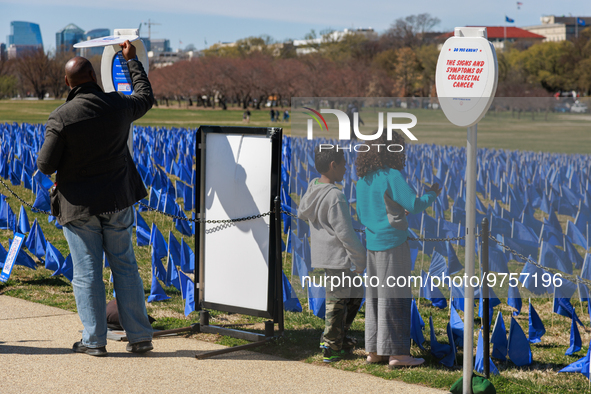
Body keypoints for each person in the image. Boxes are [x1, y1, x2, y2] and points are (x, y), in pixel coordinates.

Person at [37, 40, 154, 357]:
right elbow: (145, 96)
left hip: (79, 206)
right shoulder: (119, 105)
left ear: (67, 82)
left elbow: (45, 164)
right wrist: (131, 62)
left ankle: (94, 341)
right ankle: (140, 336)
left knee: (87, 273)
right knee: (126, 267)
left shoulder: (61, 117)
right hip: (118, 199)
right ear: (94, 77)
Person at [355, 132, 440, 368]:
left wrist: (392, 213)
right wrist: (432, 193)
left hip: (372, 244)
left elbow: (362, 215)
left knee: (375, 298)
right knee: (396, 298)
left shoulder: (362, 180)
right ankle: (398, 354)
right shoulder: (392, 176)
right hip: (393, 244)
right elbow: (414, 203)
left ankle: (375, 350)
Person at [298, 145, 366, 363]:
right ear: (333, 165)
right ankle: (331, 345)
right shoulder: (335, 196)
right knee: (337, 300)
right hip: (338, 255)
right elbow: (345, 233)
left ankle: (337, 336)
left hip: (325, 253)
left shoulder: (313, 187)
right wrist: (360, 259)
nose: (347, 169)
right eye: (344, 164)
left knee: (354, 293)